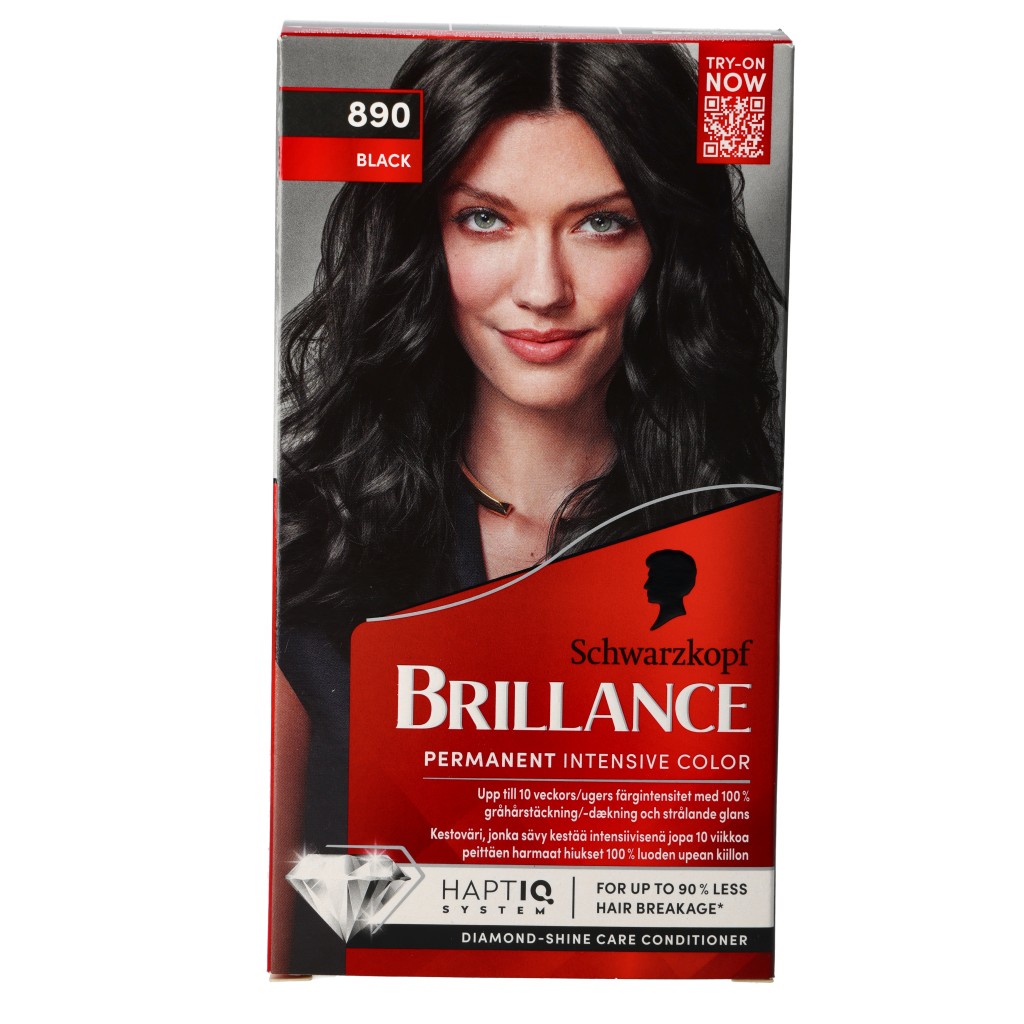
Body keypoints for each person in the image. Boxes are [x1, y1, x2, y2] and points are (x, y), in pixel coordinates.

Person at [276, 39, 782, 969]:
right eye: (484, 219)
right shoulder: (301, 554)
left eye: (603, 224)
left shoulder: (760, 547)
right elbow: (284, 958)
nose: (543, 290)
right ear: (422, 240)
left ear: (667, 246)